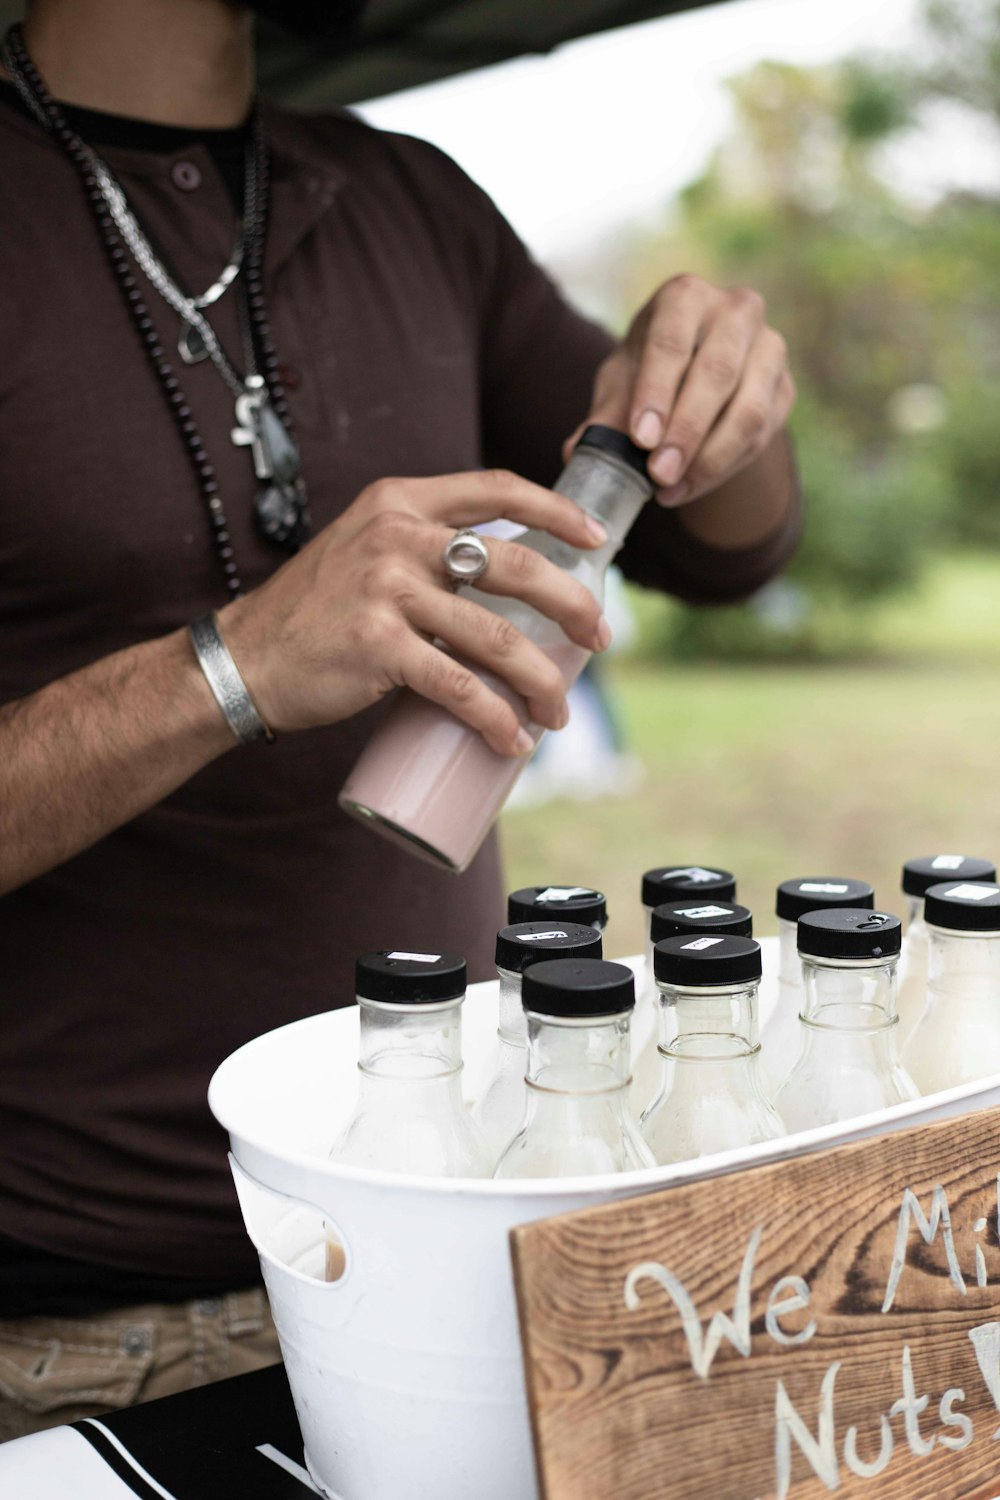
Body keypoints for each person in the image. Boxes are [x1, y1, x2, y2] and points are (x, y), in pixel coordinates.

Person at [0, 0, 800, 1438]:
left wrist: (723, 383)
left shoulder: (408, 197)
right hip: (55, 1339)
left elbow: (722, 548)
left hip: (447, 1264)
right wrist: (231, 669)